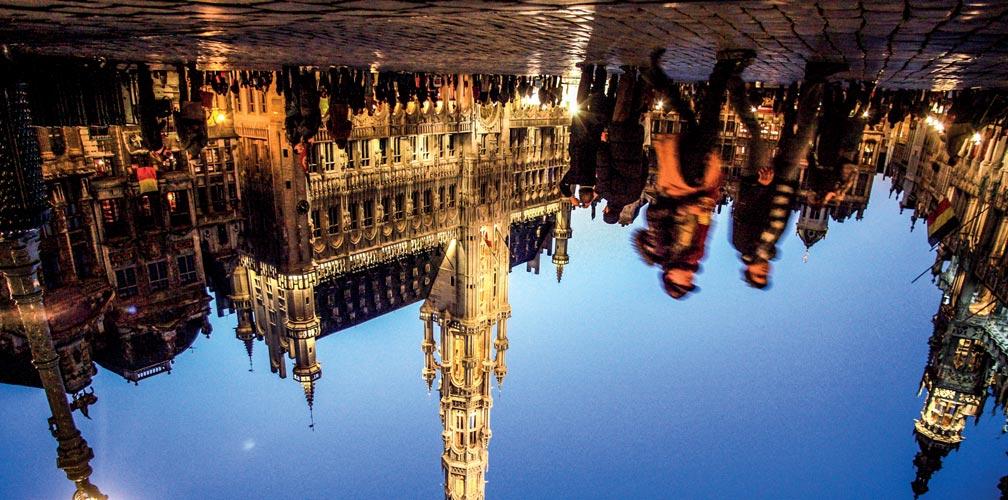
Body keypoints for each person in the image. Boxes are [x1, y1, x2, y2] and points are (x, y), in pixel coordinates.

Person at [634, 48, 755, 298]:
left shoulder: (663, 251)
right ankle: (655, 74)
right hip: (698, 185)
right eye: (689, 285)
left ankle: (723, 67)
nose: (688, 281)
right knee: (693, 120)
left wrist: (686, 209)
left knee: (708, 126)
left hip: (682, 182)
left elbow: (655, 214)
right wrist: (707, 205)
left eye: (681, 284)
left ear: (668, 277)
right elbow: (703, 226)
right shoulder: (695, 256)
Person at [730, 60, 846, 288]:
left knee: (755, 131)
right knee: (807, 132)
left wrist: (761, 185)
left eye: (759, 275)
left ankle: (732, 81)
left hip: (758, 178)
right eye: (767, 275)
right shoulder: (771, 245)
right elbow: (781, 210)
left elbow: (743, 209)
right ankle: (814, 79)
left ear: (748, 270)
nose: (765, 271)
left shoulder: (743, 245)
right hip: (784, 180)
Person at [595, 65, 650, 224]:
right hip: (618, 143)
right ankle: (629, 74)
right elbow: (603, 165)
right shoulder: (607, 193)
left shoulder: (633, 196)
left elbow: (644, 172)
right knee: (621, 107)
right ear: (607, 210)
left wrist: (641, 155)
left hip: (634, 146)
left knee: (635, 112)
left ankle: (643, 78)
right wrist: (603, 144)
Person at [560, 64, 608, 206]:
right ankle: (587, 70)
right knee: (581, 100)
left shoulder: (596, 180)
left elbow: (603, 188)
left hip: (594, 132)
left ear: (592, 191)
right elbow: (563, 186)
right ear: (579, 190)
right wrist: (571, 197)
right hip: (579, 133)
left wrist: (592, 197)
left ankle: (601, 70)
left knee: (597, 99)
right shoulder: (574, 176)